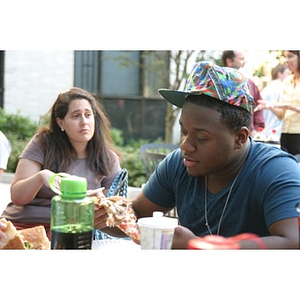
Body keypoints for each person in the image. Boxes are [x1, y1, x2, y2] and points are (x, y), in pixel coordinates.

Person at [95, 61, 300, 249]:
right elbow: (136, 214)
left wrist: (200, 247)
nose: (186, 145)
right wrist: (97, 213)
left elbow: (292, 241)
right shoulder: (179, 163)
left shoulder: (277, 170)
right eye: (184, 131)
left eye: (201, 137)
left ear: (240, 137)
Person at [0, 87, 122, 239]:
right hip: (22, 225)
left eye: (88, 115)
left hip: (71, 231)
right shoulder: (42, 143)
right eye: (76, 116)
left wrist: (96, 202)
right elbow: (17, 197)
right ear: (61, 123)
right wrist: (41, 177)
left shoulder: (108, 159)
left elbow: (113, 215)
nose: (84, 122)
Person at [255, 51, 300, 155]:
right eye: (285, 57)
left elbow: (287, 107)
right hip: (285, 133)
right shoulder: (287, 81)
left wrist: (286, 106)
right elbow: (281, 115)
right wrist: (269, 106)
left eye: (290, 56)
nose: (287, 60)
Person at [221, 50, 265, 136]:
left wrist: (256, 128)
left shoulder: (250, 83)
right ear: (229, 61)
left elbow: (259, 105)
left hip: (247, 136)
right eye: (241, 59)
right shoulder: (216, 83)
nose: (244, 62)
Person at [260, 63, 289, 138]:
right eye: (287, 73)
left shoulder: (265, 90)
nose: (289, 76)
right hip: (277, 132)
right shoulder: (284, 89)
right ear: (279, 74)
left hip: (265, 131)